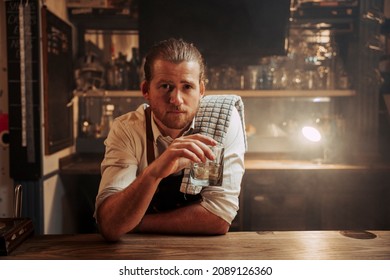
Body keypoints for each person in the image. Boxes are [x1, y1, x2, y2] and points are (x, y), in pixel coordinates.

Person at [95, 38, 246, 241]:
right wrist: (153, 173)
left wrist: (135, 223)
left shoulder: (222, 122)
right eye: (166, 86)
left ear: (201, 90)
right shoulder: (127, 129)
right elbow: (110, 225)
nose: (176, 99)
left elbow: (219, 217)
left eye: (187, 87)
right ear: (146, 90)